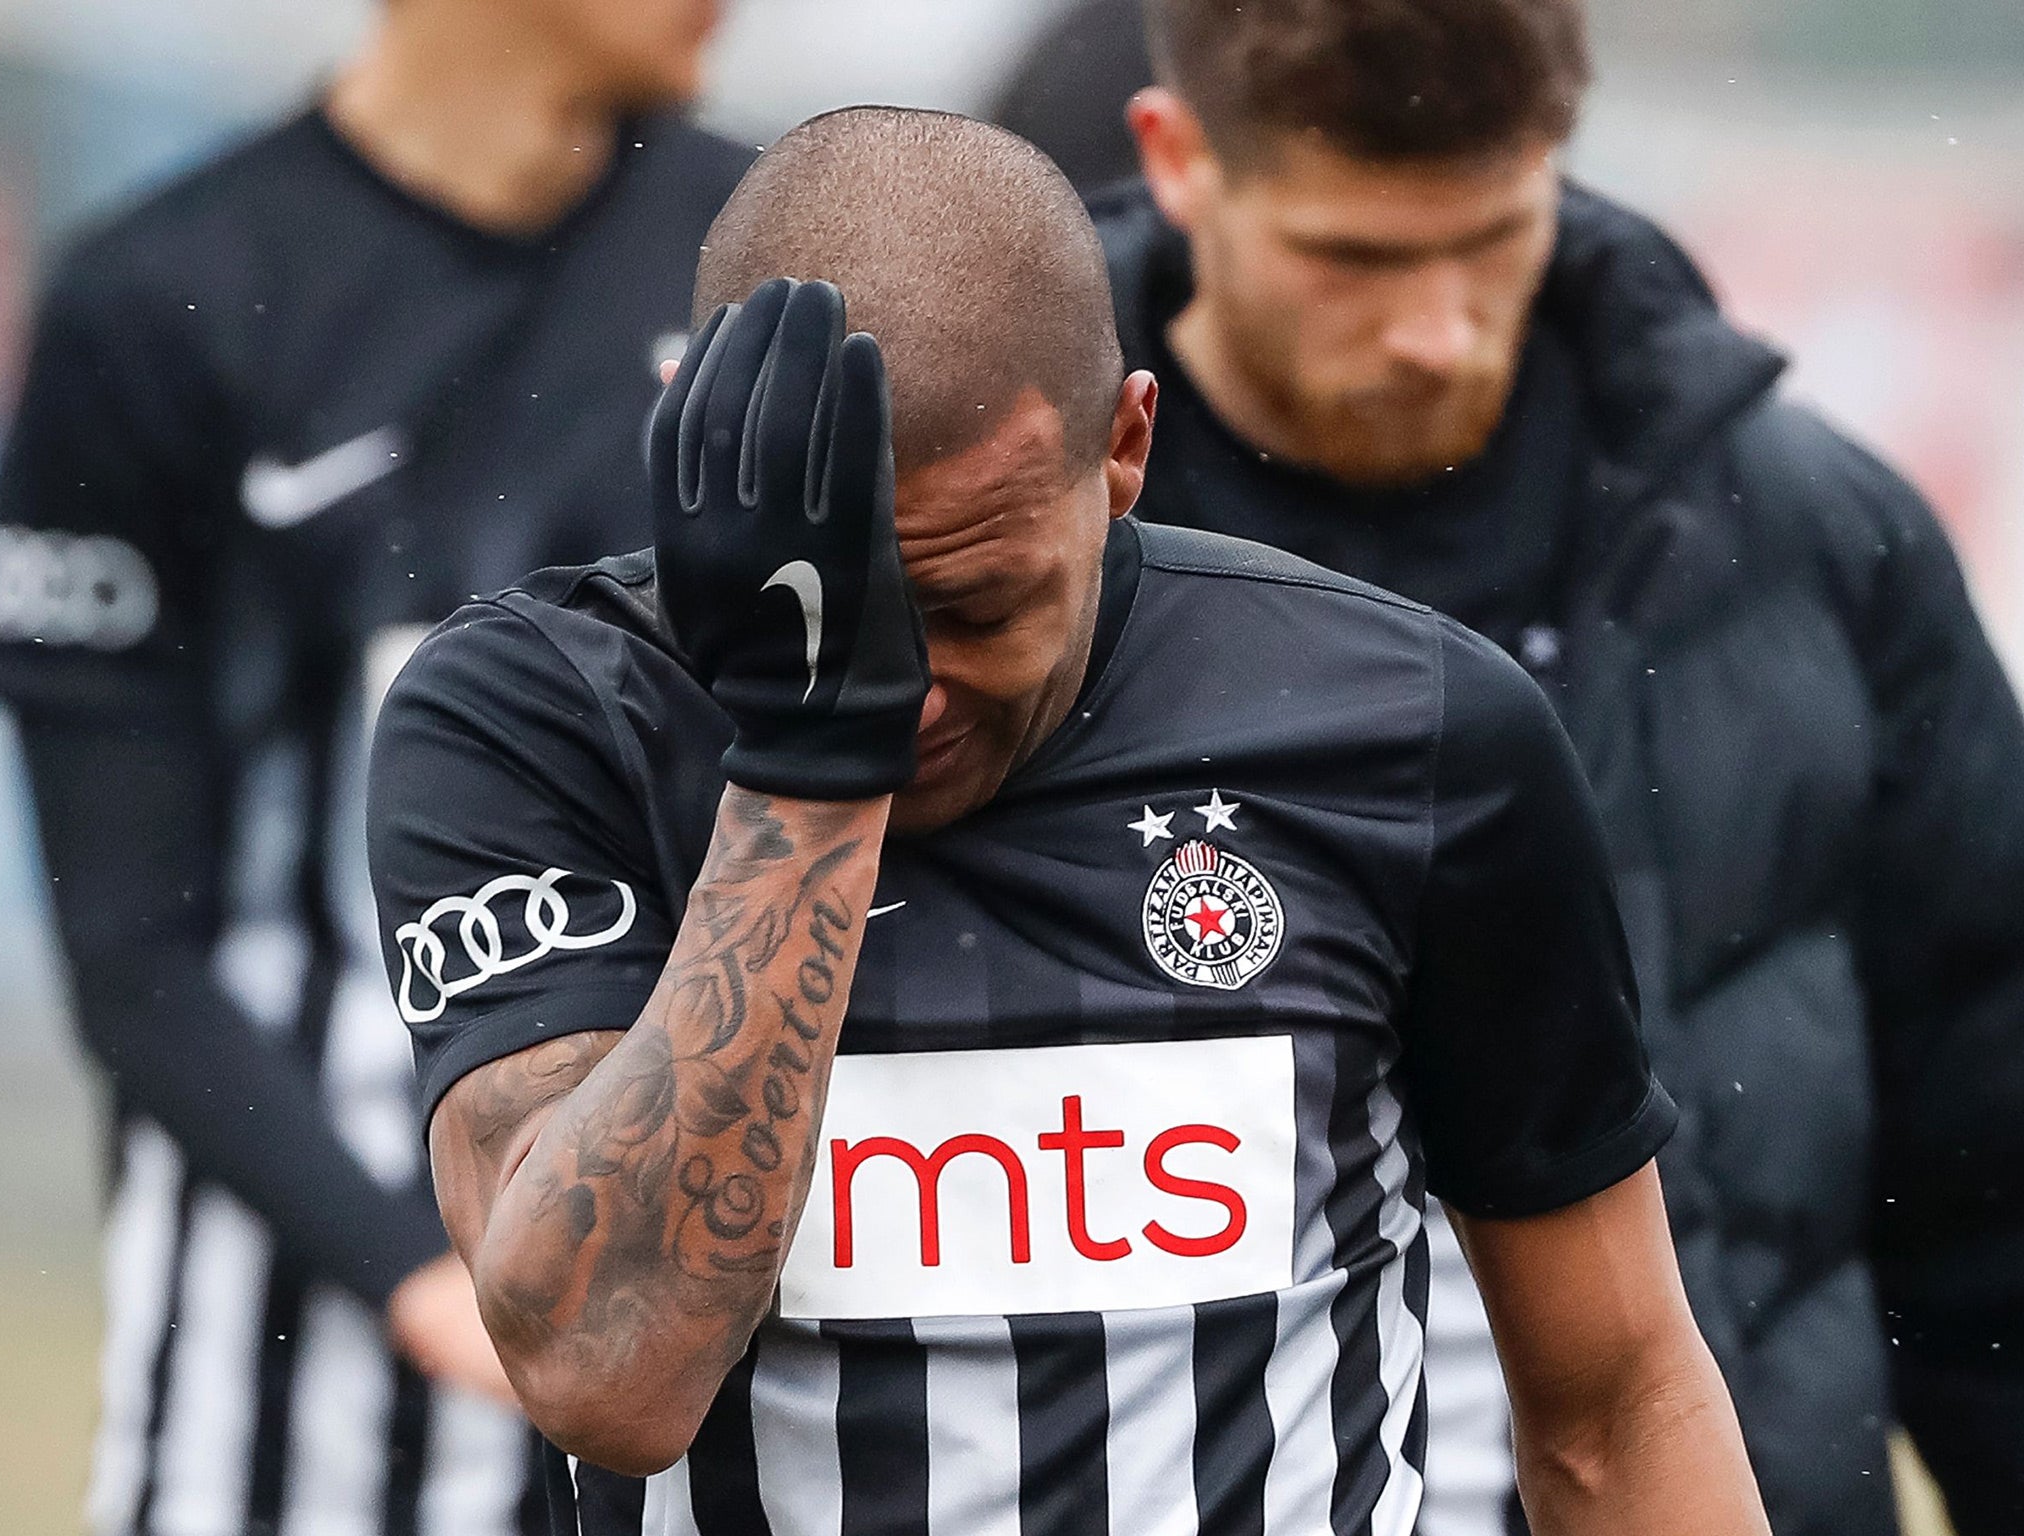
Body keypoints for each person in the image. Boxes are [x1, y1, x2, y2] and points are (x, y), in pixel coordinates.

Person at [365, 106, 1771, 1536]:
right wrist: (805, 762)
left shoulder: (1408, 728)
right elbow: (607, 1374)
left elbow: (1620, 1401)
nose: (901, 692)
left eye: (973, 608)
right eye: (853, 613)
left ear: (1126, 445)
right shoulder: (537, 719)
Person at [981, 0, 2024, 1533]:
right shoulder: (980, 579)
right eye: (1356, 258)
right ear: (1178, 155)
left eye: (1491, 235)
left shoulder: (1813, 543)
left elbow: (1992, 1185)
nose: (1439, 326)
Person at [0, 0, 750, 1530]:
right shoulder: (160, 303)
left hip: (707, 1340)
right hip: (290, 1376)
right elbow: (131, 953)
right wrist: (432, 1280)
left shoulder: (764, 264)